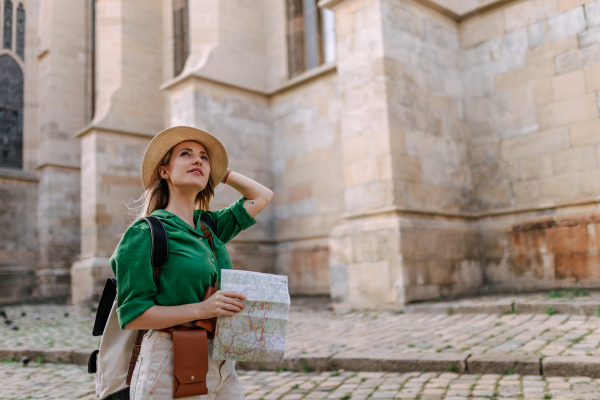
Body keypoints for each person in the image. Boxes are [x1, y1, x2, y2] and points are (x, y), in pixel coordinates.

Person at [110, 126, 274, 400]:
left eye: (204, 157)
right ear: (164, 171)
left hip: (221, 363)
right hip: (169, 360)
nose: (197, 160)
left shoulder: (209, 225)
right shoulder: (144, 234)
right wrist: (202, 308)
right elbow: (133, 315)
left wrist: (221, 173)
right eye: (185, 154)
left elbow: (262, 196)